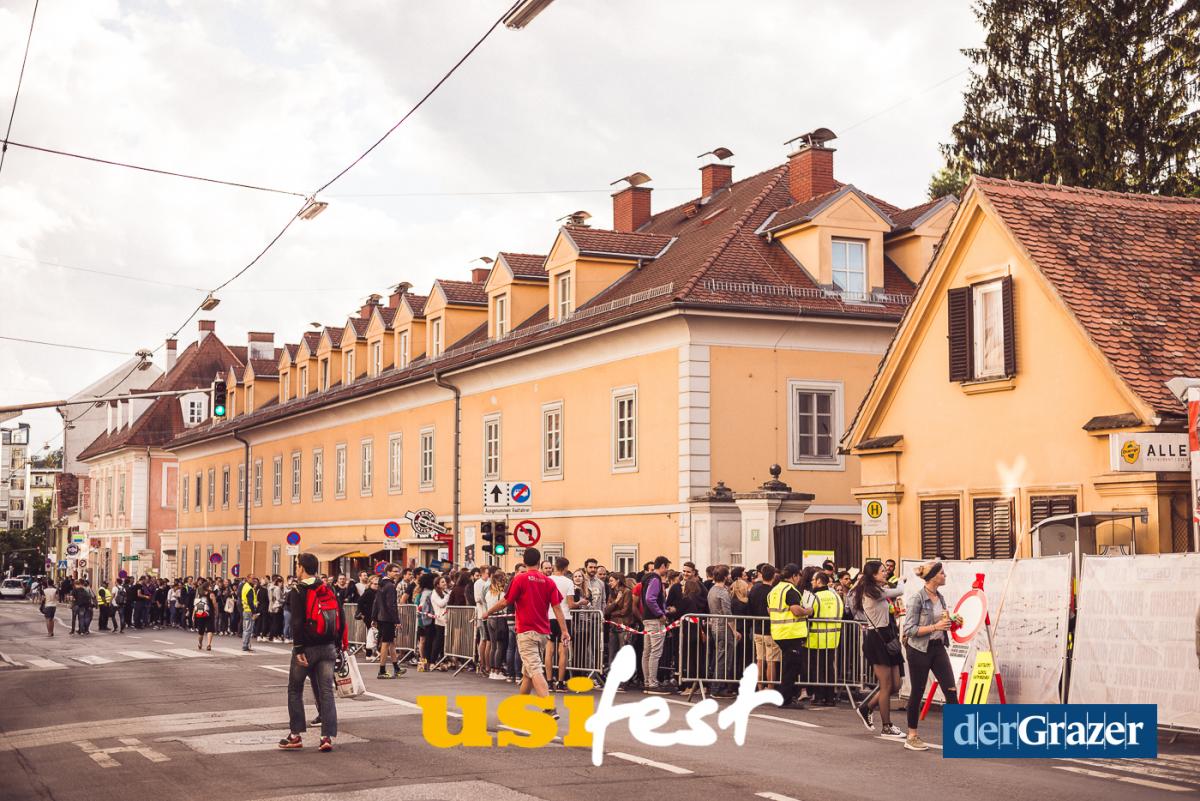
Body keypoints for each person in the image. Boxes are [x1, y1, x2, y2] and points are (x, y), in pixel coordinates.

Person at [482, 547, 570, 719]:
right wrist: (565, 631)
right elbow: (557, 607)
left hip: (525, 630)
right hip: (543, 632)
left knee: (534, 668)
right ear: (539, 562)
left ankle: (548, 706)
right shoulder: (548, 581)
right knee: (528, 673)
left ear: (524, 561)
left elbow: (505, 601)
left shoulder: (520, 579)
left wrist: (488, 612)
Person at [279, 552, 346, 752]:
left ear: (301, 567)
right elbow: (340, 616)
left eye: (297, 565)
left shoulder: (298, 590)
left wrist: (299, 648)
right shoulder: (327, 587)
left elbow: (297, 622)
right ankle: (326, 737)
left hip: (307, 648)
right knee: (326, 691)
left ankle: (295, 735)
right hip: (328, 647)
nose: (296, 568)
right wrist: (338, 644)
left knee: (295, 689)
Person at [902, 561, 958, 751]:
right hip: (919, 649)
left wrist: (953, 621)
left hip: (938, 647)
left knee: (951, 689)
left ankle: (959, 734)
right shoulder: (917, 599)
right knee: (917, 692)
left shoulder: (940, 597)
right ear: (933, 577)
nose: (945, 576)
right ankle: (912, 736)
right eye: (942, 573)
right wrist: (935, 627)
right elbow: (909, 630)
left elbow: (942, 621)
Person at [850, 559, 905, 738]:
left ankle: (867, 707)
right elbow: (900, 590)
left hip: (888, 636)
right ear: (873, 575)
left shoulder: (877, 590)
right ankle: (887, 726)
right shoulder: (870, 591)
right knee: (886, 685)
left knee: (896, 684)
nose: (885, 572)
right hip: (877, 638)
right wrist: (903, 579)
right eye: (882, 570)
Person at [768, 563, 814, 708]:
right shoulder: (790, 590)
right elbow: (796, 610)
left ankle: (785, 697)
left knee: (789, 665)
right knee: (792, 667)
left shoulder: (774, 590)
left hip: (779, 632)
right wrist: (808, 611)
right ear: (794, 576)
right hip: (791, 633)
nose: (799, 578)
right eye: (798, 575)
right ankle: (785, 699)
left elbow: (769, 610)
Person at [805, 570, 845, 706]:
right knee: (829, 668)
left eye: (813, 580)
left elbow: (807, 615)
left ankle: (819, 697)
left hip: (816, 638)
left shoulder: (813, 597)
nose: (811, 582)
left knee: (817, 669)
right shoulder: (836, 596)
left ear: (818, 581)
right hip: (833, 638)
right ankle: (830, 698)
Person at [640, 556, 672, 694]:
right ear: (663, 566)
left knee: (647, 652)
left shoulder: (646, 578)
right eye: (667, 567)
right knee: (655, 652)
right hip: (655, 619)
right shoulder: (655, 579)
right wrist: (660, 614)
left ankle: (648, 682)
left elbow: (646, 599)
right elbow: (650, 598)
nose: (667, 570)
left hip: (647, 618)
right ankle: (652, 683)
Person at [545, 557, 578, 692]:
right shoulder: (568, 582)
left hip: (549, 616)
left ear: (554, 566)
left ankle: (548, 681)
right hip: (565, 617)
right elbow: (570, 604)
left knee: (549, 650)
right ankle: (560, 682)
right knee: (563, 651)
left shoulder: (548, 580)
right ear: (565, 568)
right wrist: (580, 603)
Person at [373, 564, 405, 679]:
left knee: (391, 643)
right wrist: (397, 620)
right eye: (394, 571)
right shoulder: (390, 586)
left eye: (398, 571)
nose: (397, 573)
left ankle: (396, 668)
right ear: (388, 572)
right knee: (386, 643)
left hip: (382, 617)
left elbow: (376, 602)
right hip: (387, 618)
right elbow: (391, 605)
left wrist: (374, 617)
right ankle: (382, 671)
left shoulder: (382, 584)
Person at [483, 570, 507, 680]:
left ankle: (492, 671)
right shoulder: (501, 594)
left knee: (493, 645)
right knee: (500, 645)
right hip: (498, 618)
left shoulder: (488, 593)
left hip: (490, 619)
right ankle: (497, 670)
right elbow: (504, 606)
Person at [195, 579, 217, 650]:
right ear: (207, 587)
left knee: (201, 631)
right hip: (209, 613)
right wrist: (216, 611)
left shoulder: (199, 594)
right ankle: (209, 644)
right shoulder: (211, 594)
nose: (211, 587)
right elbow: (214, 604)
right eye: (210, 586)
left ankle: (200, 643)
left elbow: (196, 604)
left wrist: (193, 614)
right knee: (210, 629)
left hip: (200, 613)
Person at [241, 576, 259, 652]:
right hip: (249, 611)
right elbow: (250, 602)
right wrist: (254, 613)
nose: (254, 580)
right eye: (252, 579)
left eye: (254, 578)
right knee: (248, 629)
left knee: (246, 629)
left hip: (245, 609)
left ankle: (245, 645)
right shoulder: (249, 588)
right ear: (248, 579)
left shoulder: (245, 586)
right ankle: (245, 645)